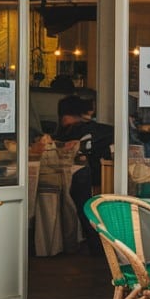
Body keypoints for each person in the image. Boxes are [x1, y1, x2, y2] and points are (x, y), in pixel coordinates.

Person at [53, 95, 114, 254]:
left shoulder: (72, 131)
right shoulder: (98, 130)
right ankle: (93, 244)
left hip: (86, 177)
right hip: (96, 175)